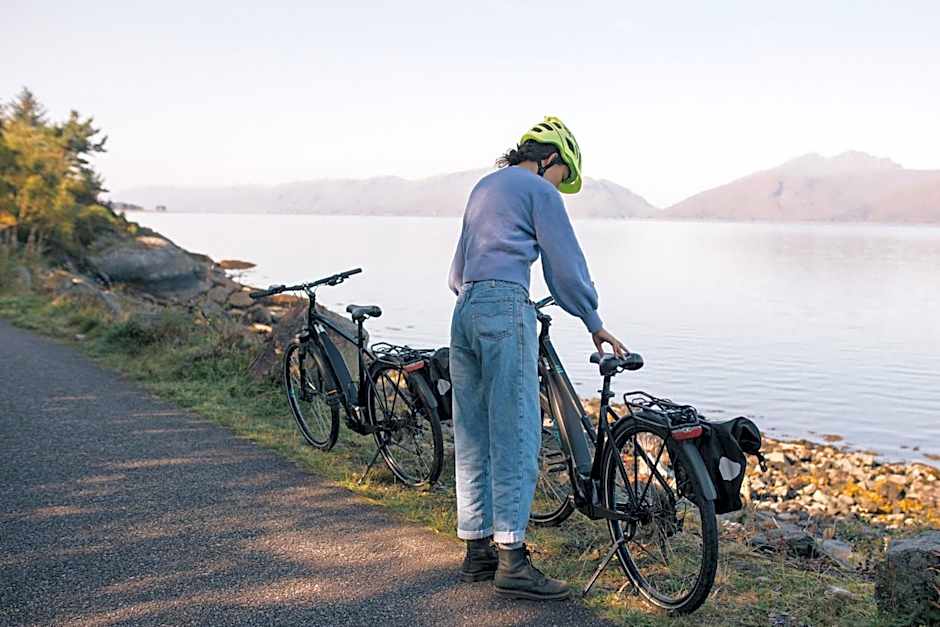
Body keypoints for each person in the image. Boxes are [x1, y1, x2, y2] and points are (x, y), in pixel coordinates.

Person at [447, 116, 627, 600]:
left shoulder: (485, 186)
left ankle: (477, 552)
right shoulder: (537, 190)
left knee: (473, 433)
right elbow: (564, 267)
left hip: (463, 311)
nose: (557, 187)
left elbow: (456, 272)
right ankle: (512, 559)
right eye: (560, 176)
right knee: (517, 430)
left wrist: (479, 301)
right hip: (505, 307)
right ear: (550, 158)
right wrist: (593, 319)